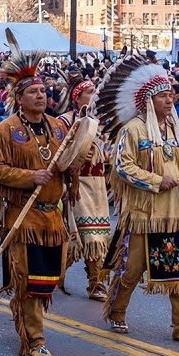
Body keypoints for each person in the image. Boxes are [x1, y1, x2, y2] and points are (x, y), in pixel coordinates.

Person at [101, 56, 179, 347]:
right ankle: (117, 311)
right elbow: (122, 167)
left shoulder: (176, 131)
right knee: (132, 270)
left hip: (173, 214)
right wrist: (155, 180)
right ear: (148, 101)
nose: (169, 100)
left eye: (170, 95)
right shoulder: (133, 130)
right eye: (162, 96)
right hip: (142, 213)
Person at [0, 47, 71, 356]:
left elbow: (69, 164)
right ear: (18, 98)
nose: (40, 96)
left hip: (53, 219)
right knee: (28, 281)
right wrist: (28, 176)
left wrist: (80, 159)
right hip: (22, 218)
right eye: (33, 92)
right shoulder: (5, 131)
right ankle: (33, 338)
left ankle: (33, 327)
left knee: (48, 279)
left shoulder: (59, 127)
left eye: (43, 91)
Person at [63, 80, 109, 301]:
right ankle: (55, 274)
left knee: (96, 236)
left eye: (95, 92)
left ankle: (96, 283)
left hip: (97, 184)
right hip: (73, 185)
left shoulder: (102, 124)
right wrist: (77, 154)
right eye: (89, 92)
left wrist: (104, 154)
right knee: (71, 235)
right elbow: (58, 153)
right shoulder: (64, 121)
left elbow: (113, 152)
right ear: (77, 97)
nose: (94, 95)